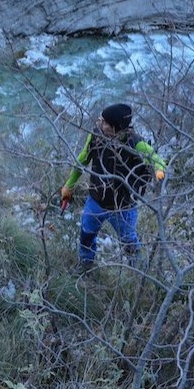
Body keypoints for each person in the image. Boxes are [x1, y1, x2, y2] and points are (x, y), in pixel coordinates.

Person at [58, 103, 166, 272]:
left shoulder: (135, 143)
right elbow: (82, 160)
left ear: (117, 129)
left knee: (129, 241)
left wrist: (159, 170)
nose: (100, 124)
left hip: (123, 206)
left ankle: (139, 274)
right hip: (96, 200)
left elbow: (156, 159)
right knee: (86, 233)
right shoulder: (96, 136)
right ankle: (86, 264)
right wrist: (68, 186)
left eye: (105, 122)